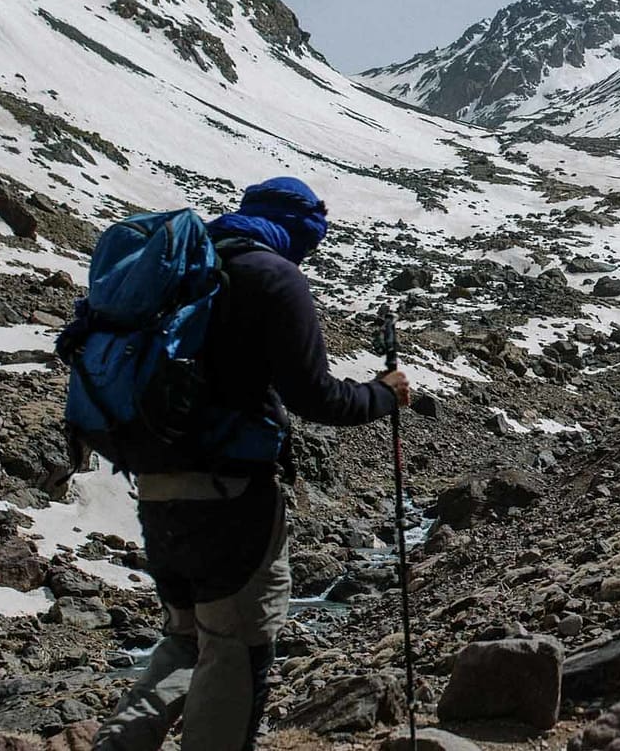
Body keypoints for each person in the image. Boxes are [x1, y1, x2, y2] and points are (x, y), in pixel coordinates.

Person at [93, 178, 412, 751]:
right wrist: (383, 394)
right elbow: (315, 396)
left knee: (186, 640)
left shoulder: (187, 269)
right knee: (235, 649)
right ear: (300, 228)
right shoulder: (272, 275)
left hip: (158, 489)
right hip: (231, 500)